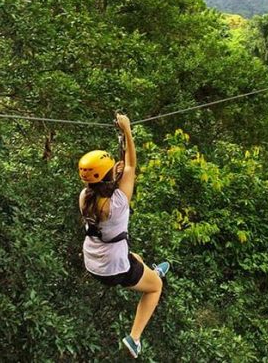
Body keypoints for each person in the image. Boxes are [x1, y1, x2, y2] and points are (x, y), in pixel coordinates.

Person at [78, 114, 170, 359]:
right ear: (109, 176)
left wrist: (114, 173)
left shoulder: (85, 197)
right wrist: (127, 131)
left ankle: (150, 271)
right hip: (112, 267)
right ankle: (135, 338)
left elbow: (113, 178)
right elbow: (131, 165)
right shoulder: (118, 203)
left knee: (135, 257)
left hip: (94, 259)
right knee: (155, 288)